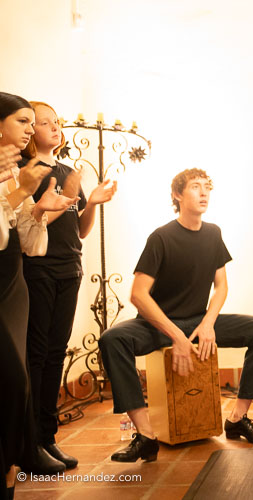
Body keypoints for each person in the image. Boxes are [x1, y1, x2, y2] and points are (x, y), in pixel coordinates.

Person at [99, 168, 253, 462]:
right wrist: (176, 336)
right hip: (158, 324)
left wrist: (208, 323)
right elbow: (138, 295)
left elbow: (221, 286)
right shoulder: (161, 237)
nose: (204, 192)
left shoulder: (213, 233)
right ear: (177, 195)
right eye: (195, 187)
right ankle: (145, 435)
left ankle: (237, 419)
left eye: (207, 187)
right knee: (112, 339)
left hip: (197, 321)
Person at [19, 100, 118, 470]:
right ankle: (31, 442)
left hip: (69, 267)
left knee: (57, 352)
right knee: (38, 354)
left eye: (55, 122)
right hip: (38, 269)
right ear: (30, 134)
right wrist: (60, 202)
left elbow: (79, 230)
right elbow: (29, 223)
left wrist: (90, 202)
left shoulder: (67, 169)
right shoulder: (24, 170)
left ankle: (48, 437)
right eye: (43, 123)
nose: (53, 128)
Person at [1, 92, 78, 498]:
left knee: (40, 363)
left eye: (37, 121)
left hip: (26, 274)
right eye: (24, 121)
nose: (32, 128)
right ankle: (27, 448)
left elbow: (29, 237)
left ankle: (36, 445)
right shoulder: (20, 172)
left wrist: (41, 209)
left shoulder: (26, 173)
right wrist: (25, 195)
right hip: (17, 278)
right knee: (19, 372)